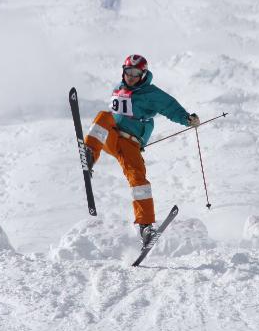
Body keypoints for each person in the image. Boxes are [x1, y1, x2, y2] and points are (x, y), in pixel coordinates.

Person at [84, 55, 200, 245]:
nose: (131, 76)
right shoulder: (118, 88)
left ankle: (146, 227)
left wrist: (187, 119)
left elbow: (169, 106)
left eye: (136, 73)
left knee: (139, 181)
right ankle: (88, 155)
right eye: (128, 72)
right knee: (103, 116)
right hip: (112, 137)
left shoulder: (150, 93)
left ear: (143, 74)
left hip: (130, 144)